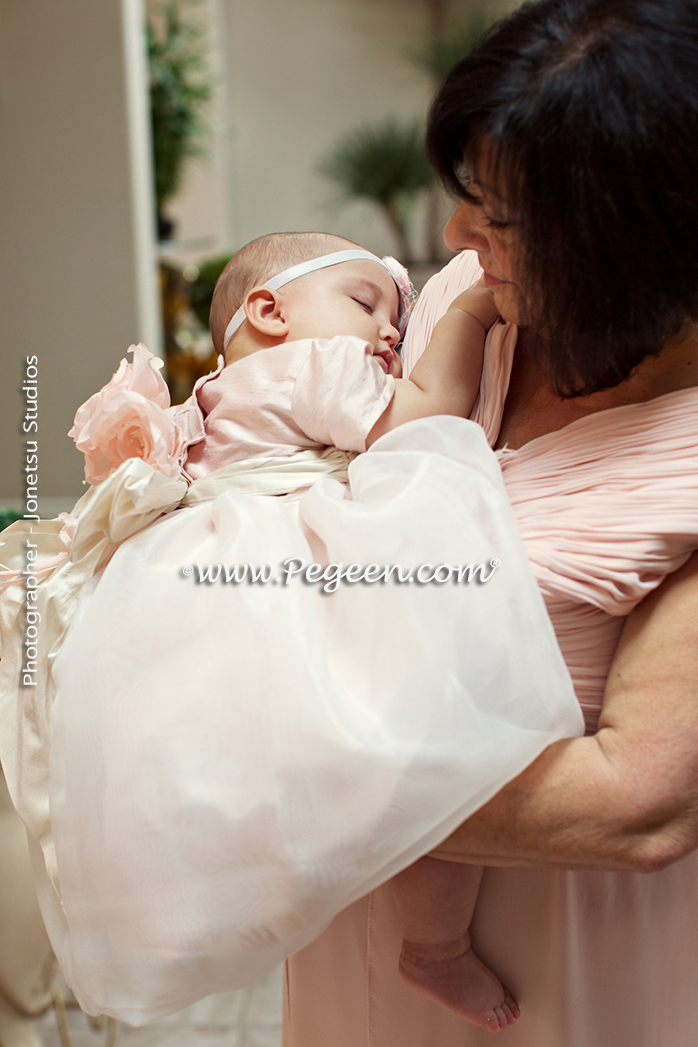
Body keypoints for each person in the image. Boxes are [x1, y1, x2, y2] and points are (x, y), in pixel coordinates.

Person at [0, 232, 581, 1025]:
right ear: (269, 312)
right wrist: (473, 316)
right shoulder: (317, 366)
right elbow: (422, 415)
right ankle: (435, 942)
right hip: (290, 577)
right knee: (432, 753)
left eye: (403, 318)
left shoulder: (202, 400)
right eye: (365, 302)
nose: (390, 332)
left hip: (198, 607)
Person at [283, 1, 698, 1045]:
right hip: (360, 920)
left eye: (502, 216)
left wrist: (265, 758)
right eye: (467, 196)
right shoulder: (474, 298)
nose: (456, 239)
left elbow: (634, 805)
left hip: (559, 939)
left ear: (638, 239)